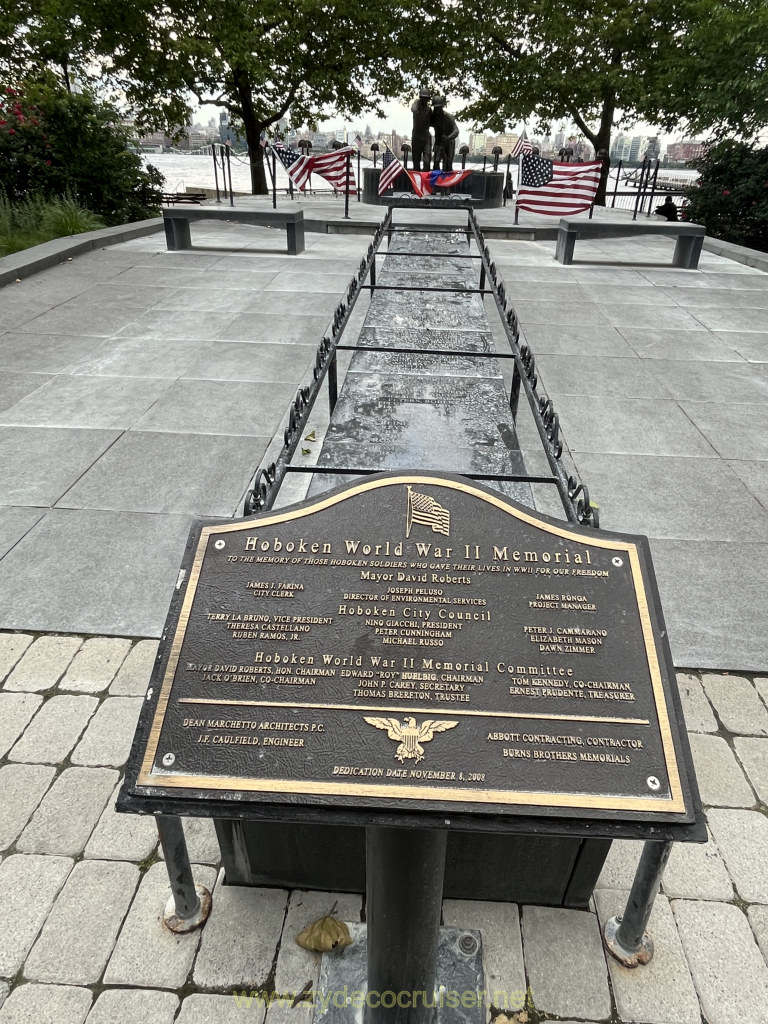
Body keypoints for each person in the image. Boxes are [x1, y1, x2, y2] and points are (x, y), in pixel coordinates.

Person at [430, 97, 459, 172]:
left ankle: (448, 180)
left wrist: (448, 138)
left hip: (449, 141)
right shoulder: (433, 116)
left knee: (448, 163)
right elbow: (426, 124)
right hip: (439, 141)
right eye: (435, 108)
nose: (436, 110)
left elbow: (456, 131)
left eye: (438, 108)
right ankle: (436, 179)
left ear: (441, 107)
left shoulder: (448, 117)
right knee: (436, 161)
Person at [410, 89, 432, 172]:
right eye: (423, 98)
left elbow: (432, 122)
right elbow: (413, 109)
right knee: (416, 162)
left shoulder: (429, 110)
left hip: (426, 136)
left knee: (427, 161)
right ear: (420, 98)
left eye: (426, 98)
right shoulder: (416, 104)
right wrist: (417, 102)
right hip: (416, 136)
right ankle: (417, 182)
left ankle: (426, 181)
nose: (424, 100)